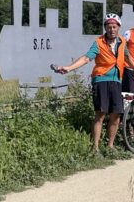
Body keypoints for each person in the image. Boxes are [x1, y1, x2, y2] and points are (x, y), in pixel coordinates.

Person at [53, 13, 126, 154]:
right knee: (101, 114)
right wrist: (69, 68)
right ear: (105, 27)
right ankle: (95, 148)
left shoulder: (122, 42)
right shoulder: (98, 43)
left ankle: (110, 146)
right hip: (101, 79)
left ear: (118, 27)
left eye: (114, 26)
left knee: (116, 115)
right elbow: (86, 58)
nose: (112, 29)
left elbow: (127, 57)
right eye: (109, 26)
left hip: (116, 80)